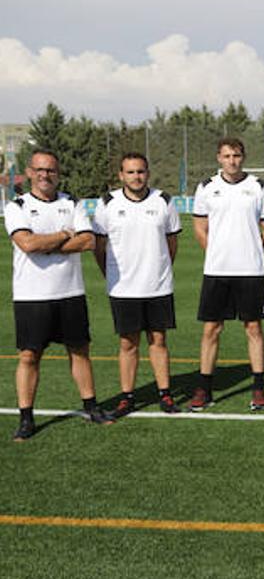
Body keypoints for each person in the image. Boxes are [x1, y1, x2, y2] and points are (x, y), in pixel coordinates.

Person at [6, 149, 113, 440]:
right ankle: (26, 418)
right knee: (29, 356)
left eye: (51, 170)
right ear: (29, 172)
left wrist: (46, 244)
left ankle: (91, 406)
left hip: (70, 293)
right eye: (39, 170)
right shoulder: (17, 206)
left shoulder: (72, 203)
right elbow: (27, 244)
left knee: (79, 351)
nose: (45, 175)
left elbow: (89, 241)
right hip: (31, 296)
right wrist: (65, 235)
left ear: (58, 173)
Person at [92, 152, 182, 416]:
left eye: (140, 171)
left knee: (159, 340)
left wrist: (160, 269)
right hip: (123, 288)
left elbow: (172, 243)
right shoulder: (107, 203)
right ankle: (127, 397)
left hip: (158, 286)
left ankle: (165, 395)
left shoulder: (163, 200)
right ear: (121, 175)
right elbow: (99, 247)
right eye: (130, 172)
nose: (136, 177)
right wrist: (110, 276)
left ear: (148, 173)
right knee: (127, 344)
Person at [188, 138, 264, 412]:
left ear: (243, 157)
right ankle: (204, 388)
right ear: (219, 158)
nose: (232, 160)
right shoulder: (206, 187)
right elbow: (200, 228)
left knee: (253, 328)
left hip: (251, 271)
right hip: (217, 271)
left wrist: (255, 252)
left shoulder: (259, 187)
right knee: (211, 329)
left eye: (236, 155)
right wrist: (215, 254)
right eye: (227, 156)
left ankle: (258, 388)